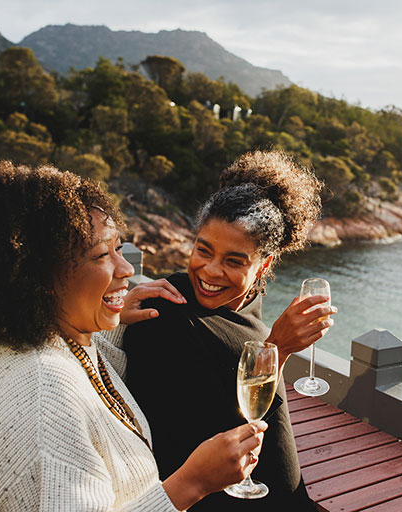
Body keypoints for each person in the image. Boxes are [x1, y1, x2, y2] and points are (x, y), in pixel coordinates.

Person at [0, 161, 267, 511]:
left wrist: (110, 318)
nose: (126, 269)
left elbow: (92, 378)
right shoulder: (45, 408)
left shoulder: (40, 342)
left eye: (118, 248)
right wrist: (191, 483)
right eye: (101, 255)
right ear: (36, 278)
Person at [116, 150, 336, 510]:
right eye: (203, 250)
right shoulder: (165, 312)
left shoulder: (249, 306)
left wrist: (276, 347)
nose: (210, 272)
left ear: (262, 266)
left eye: (234, 261)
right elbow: (201, 440)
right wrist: (277, 349)